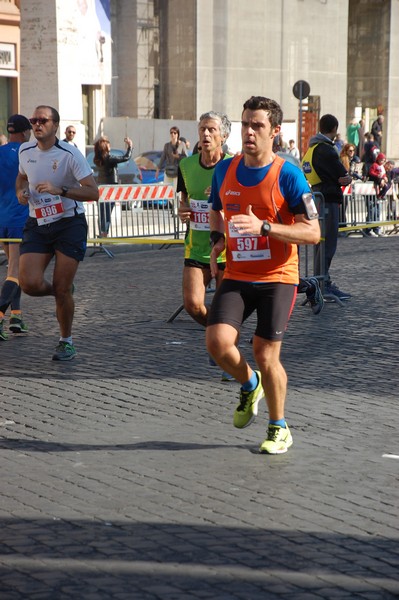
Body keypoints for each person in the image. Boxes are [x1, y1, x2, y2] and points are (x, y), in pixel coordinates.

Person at [206, 95, 320, 455]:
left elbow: (313, 233)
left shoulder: (289, 174)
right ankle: (249, 383)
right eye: (245, 124)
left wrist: (265, 227)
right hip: (238, 273)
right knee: (217, 343)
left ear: (274, 132)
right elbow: (216, 209)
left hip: (278, 275)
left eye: (257, 125)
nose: (249, 132)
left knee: (265, 352)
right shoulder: (225, 170)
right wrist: (217, 242)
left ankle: (278, 426)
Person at [16, 104, 99, 361]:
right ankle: (62, 292)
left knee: (62, 286)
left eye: (43, 120)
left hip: (68, 224)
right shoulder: (24, 150)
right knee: (28, 283)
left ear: (55, 125)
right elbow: (21, 178)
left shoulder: (70, 154)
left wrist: (60, 191)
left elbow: (93, 192)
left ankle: (66, 341)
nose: (37, 124)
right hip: (38, 223)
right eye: (33, 120)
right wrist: (21, 192)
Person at [177, 111, 232, 381]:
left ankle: (225, 353)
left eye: (211, 129)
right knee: (193, 305)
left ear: (223, 136)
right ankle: (218, 339)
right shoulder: (186, 166)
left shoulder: (234, 165)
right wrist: (182, 210)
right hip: (196, 247)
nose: (205, 134)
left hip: (227, 249)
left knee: (225, 309)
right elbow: (183, 199)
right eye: (202, 129)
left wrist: (223, 198)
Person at [302, 114, 353, 300]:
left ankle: (320, 281)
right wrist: (345, 178)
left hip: (316, 197)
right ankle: (322, 284)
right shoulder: (327, 150)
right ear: (334, 129)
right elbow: (342, 174)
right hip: (328, 200)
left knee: (319, 243)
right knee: (328, 244)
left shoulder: (311, 148)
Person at [0, 114, 32, 341]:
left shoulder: (0, 152)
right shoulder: (27, 154)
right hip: (19, 219)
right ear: (24, 131)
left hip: (1, 219)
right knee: (15, 271)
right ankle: (1, 315)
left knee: (15, 269)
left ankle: (16, 317)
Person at [93, 135, 133, 236]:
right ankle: (104, 234)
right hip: (110, 187)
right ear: (105, 147)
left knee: (102, 212)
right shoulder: (108, 158)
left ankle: (102, 233)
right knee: (107, 212)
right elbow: (126, 157)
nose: (110, 146)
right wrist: (130, 147)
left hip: (102, 186)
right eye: (108, 145)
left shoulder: (98, 158)